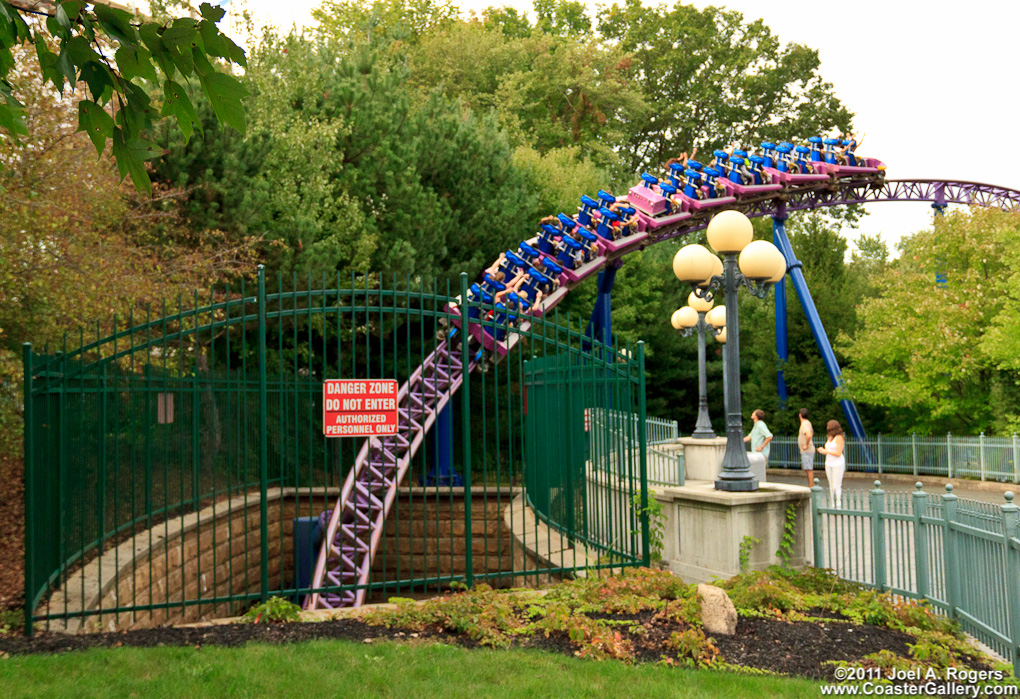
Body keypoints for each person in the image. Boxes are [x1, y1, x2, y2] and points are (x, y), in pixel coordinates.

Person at [817, 420, 846, 507]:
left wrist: (826, 451)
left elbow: (838, 453)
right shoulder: (829, 437)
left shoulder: (839, 438)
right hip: (829, 463)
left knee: (836, 485)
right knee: (831, 484)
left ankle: (838, 504)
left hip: (837, 463)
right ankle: (833, 504)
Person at [798, 408, 814, 487]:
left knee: (808, 469)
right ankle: (811, 485)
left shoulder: (804, 424)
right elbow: (812, 433)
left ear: (800, 415)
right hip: (807, 450)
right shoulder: (808, 423)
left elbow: (808, 434)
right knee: (807, 468)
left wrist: (806, 445)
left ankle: (811, 486)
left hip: (807, 450)